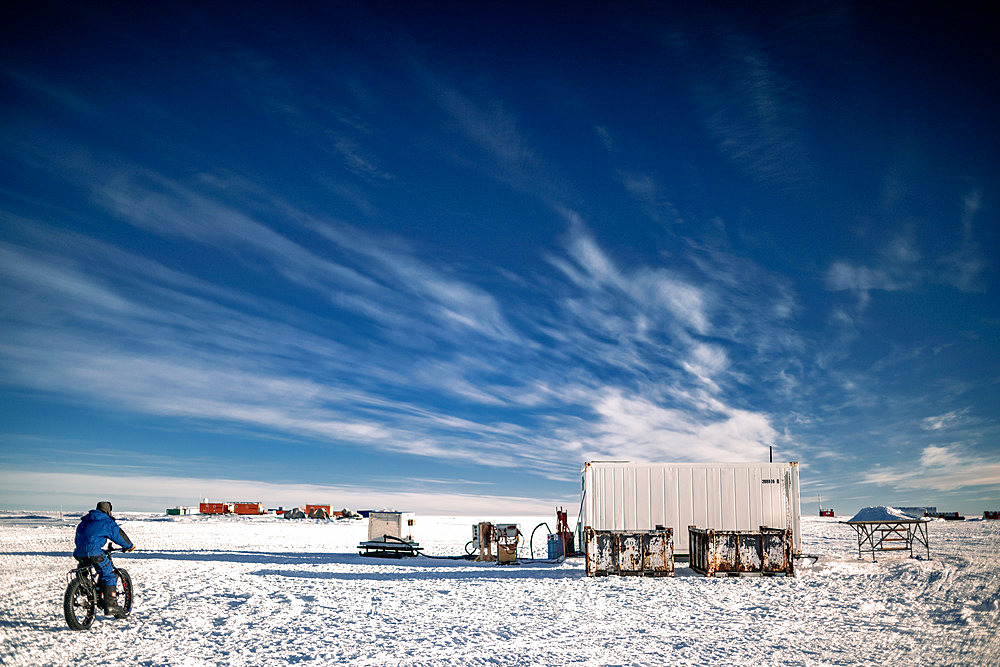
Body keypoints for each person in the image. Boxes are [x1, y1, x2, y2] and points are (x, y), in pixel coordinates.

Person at [73, 501, 135, 618]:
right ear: (108, 511)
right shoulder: (107, 521)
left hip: (79, 552)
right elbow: (119, 535)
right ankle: (110, 605)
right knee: (108, 575)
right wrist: (129, 546)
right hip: (95, 552)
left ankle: (82, 588)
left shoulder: (84, 521)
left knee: (83, 570)